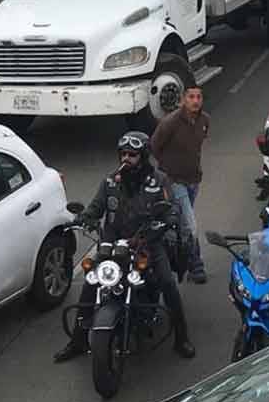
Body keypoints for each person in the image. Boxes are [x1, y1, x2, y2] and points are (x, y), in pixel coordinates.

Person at [54, 132, 195, 362]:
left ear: (144, 156)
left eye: (133, 155)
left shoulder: (158, 181)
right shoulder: (110, 181)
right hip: (113, 242)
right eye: (123, 154)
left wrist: (168, 218)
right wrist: (84, 218)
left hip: (147, 241)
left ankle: (182, 337)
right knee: (90, 282)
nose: (126, 159)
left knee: (168, 282)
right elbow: (96, 208)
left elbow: (172, 209)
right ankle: (78, 340)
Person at [150, 85, 212, 284]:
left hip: (194, 180)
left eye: (199, 97)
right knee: (189, 223)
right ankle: (196, 265)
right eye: (191, 97)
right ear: (184, 100)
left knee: (180, 221)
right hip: (174, 180)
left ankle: (173, 256)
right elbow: (154, 146)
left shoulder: (205, 120)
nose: (195, 100)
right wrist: (167, 169)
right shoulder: (171, 122)